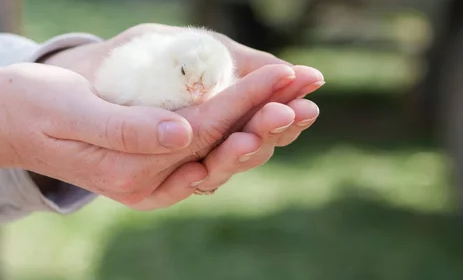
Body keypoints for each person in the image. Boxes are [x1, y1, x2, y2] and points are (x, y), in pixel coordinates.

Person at [0, 23, 324, 223]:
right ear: (173, 65)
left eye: (209, 83)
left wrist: (53, 63)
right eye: (186, 77)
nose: (196, 91)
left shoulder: (187, 68)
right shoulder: (143, 76)